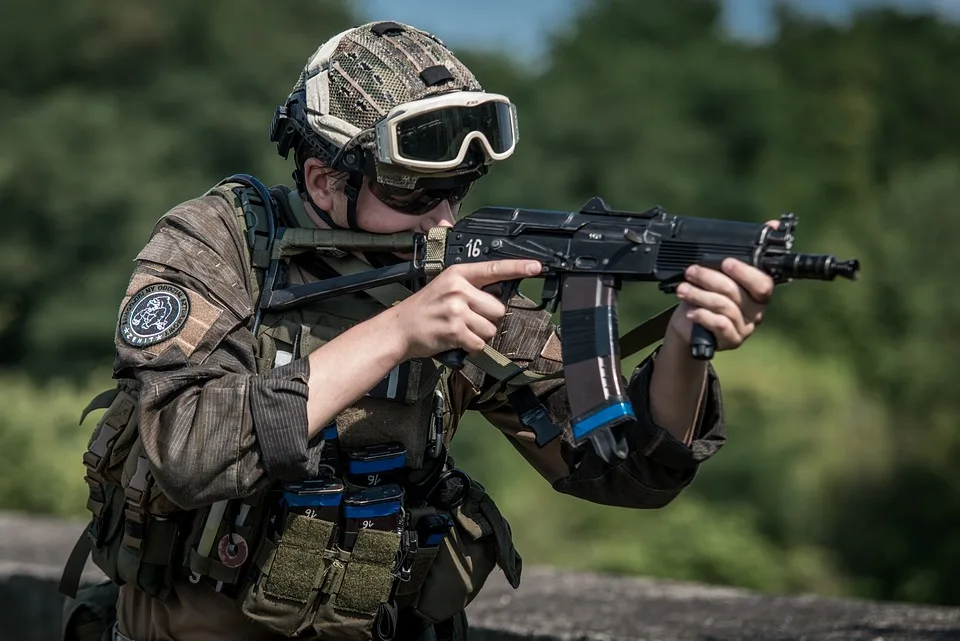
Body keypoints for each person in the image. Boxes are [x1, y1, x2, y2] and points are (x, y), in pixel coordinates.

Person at [59, 20, 776, 641]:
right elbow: (187, 447)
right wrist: (398, 332)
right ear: (321, 179)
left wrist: (687, 342)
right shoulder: (220, 244)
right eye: (411, 190)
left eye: (456, 191)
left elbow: (624, 470)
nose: (440, 217)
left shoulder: (450, 274)